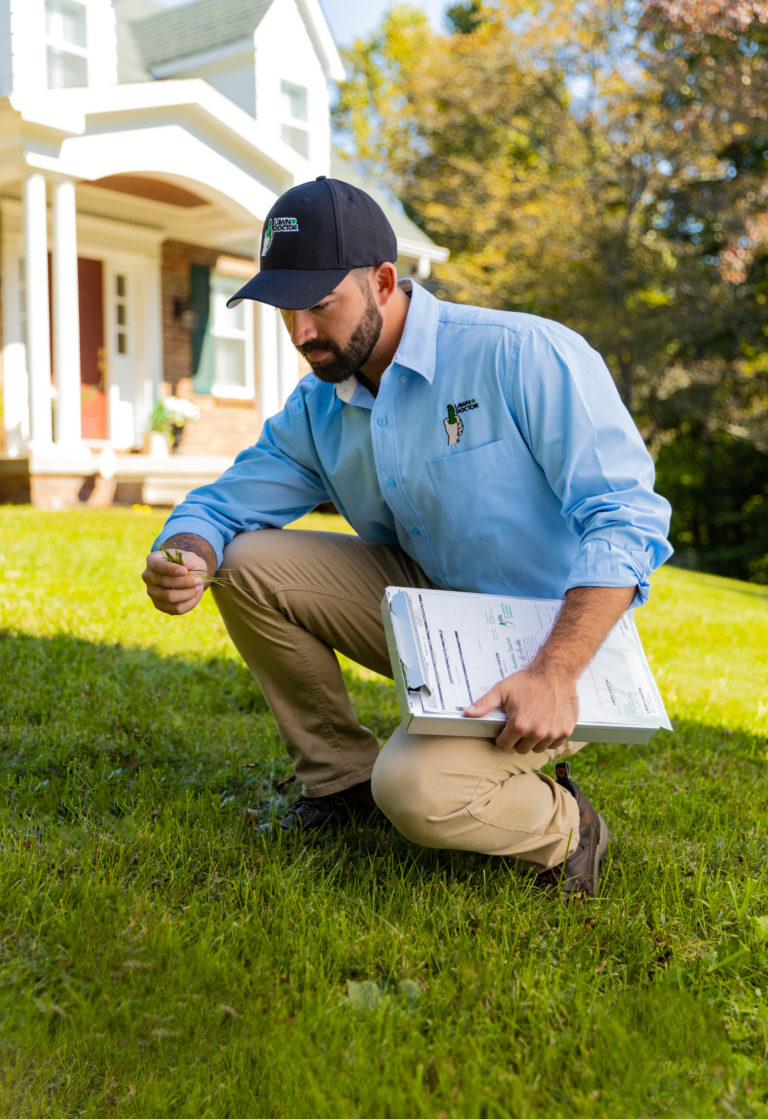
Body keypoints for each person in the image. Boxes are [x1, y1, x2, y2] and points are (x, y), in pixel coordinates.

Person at [142, 175, 672, 898]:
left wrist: (554, 672)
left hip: (560, 638)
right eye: (286, 310)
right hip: (433, 612)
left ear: (384, 282)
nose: (301, 334)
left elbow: (626, 516)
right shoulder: (318, 405)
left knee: (417, 789)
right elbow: (220, 506)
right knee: (241, 561)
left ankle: (568, 828)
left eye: (320, 305)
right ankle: (340, 783)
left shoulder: (522, 354)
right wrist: (188, 552)